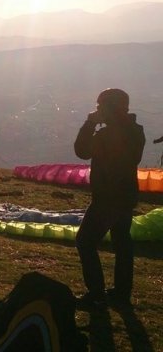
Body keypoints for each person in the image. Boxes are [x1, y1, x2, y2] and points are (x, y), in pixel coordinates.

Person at [74, 88, 145, 310]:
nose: (97, 110)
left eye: (100, 107)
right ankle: (122, 293)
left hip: (107, 198)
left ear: (110, 108)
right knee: (122, 243)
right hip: (126, 196)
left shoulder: (107, 135)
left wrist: (89, 124)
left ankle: (96, 295)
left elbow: (81, 151)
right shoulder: (136, 131)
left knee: (85, 241)